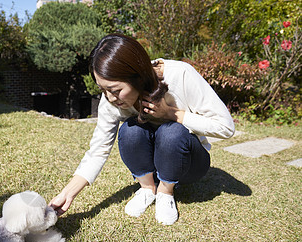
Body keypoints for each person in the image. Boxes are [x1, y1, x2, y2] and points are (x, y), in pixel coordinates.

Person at [49, 33, 235, 225]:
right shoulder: (110, 101)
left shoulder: (181, 74)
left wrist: (171, 114)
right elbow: (98, 150)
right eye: (103, 90)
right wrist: (67, 194)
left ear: (137, 76)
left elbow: (226, 127)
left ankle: (165, 191)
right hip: (153, 163)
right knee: (130, 130)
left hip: (188, 164)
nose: (110, 98)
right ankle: (148, 189)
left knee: (171, 132)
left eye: (115, 90)